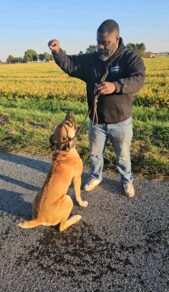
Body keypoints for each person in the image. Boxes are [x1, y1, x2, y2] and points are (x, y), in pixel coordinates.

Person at [48, 19, 145, 197]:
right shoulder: (91, 60)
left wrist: (115, 86)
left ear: (117, 38)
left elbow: (138, 79)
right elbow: (70, 65)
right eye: (98, 42)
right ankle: (95, 176)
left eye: (105, 42)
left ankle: (126, 181)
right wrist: (57, 52)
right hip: (96, 120)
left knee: (123, 156)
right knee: (94, 154)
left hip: (121, 121)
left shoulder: (129, 58)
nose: (100, 46)